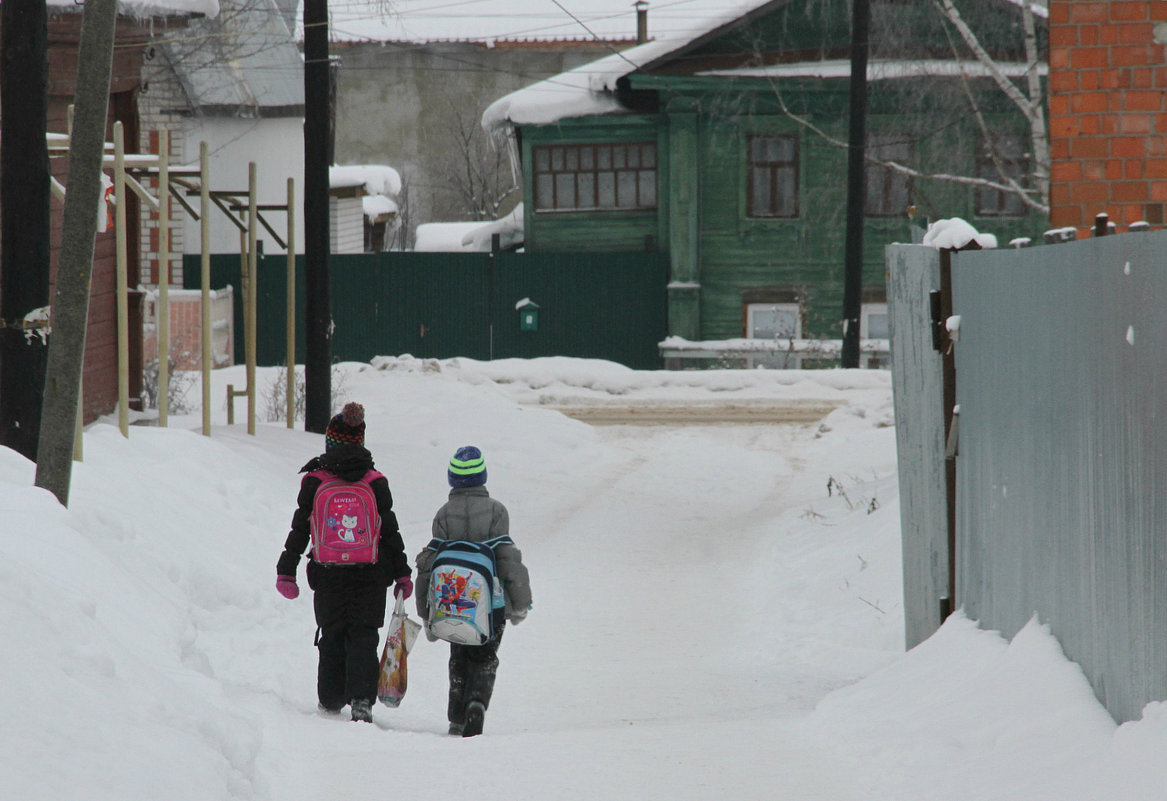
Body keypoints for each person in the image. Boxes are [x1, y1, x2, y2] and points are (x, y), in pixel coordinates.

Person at [275, 402, 413, 723]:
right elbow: (390, 531)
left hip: (328, 574)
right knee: (364, 634)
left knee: (332, 632)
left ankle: (331, 697)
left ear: (330, 442)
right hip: (371, 573)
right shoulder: (375, 481)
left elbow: (300, 528)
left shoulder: (315, 480)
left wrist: (287, 570)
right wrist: (402, 574)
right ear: (360, 440)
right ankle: (362, 699)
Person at [415, 446, 532, 737]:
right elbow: (507, 560)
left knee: (459, 656)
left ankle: (456, 716)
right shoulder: (497, 511)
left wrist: (426, 614)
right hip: (491, 606)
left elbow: (430, 565)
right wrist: (519, 604)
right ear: (483, 477)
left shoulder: (443, 514)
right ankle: (477, 702)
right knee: (484, 657)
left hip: (454, 603)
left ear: (451, 479)